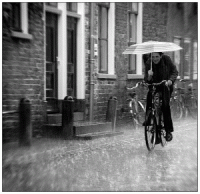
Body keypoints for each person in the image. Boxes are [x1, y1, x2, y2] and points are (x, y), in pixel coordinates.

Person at [143, 52, 178, 142]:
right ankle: (149, 120)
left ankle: (168, 130)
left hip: (165, 86)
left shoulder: (167, 60)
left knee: (165, 106)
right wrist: (149, 77)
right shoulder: (148, 63)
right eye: (153, 57)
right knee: (150, 99)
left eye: (157, 57)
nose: (155, 59)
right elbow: (146, 79)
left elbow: (174, 71)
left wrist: (170, 80)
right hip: (154, 86)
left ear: (161, 56)